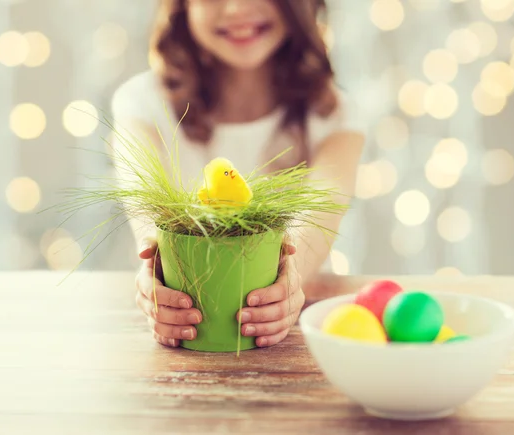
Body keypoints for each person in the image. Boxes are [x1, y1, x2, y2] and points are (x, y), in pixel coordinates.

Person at [110, 0, 365, 349]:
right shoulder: (141, 103)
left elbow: (325, 204)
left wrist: (287, 282)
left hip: (297, 335)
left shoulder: (335, 115)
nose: (235, 9)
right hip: (189, 335)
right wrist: (155, 272)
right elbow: (143, 206)